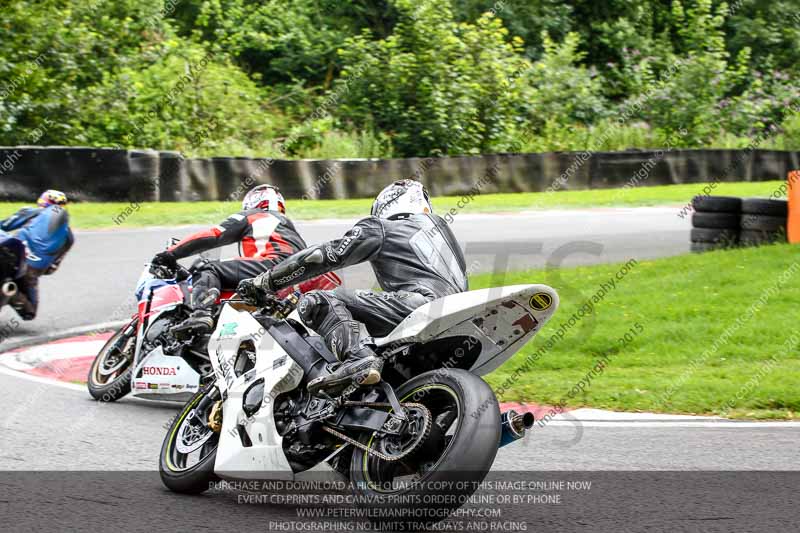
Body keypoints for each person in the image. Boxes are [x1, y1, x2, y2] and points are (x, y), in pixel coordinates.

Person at [238, 179, 468, 396]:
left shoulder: (382, 227)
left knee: (317, 301)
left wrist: (265, 281)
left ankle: (358, 359)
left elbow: (322, 256)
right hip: (458, 315)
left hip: (420, 305)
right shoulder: (443, 233)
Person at [150, 184, 311, 335]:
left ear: (254, 202)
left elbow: (213, 235)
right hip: (297, 280)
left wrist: (171, 254)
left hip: (273, 267)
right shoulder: (290, 229)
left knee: (209, 268)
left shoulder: (254, 215)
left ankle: (201, 314)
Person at [0, 189, 74, 320]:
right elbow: (52, 267)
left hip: (14, 253)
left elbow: (5, 225)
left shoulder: (34, 212)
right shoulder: (69, 237)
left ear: (43, 202)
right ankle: (9, 290)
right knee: (29, 312)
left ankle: (7, 288)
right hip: (32, 271)